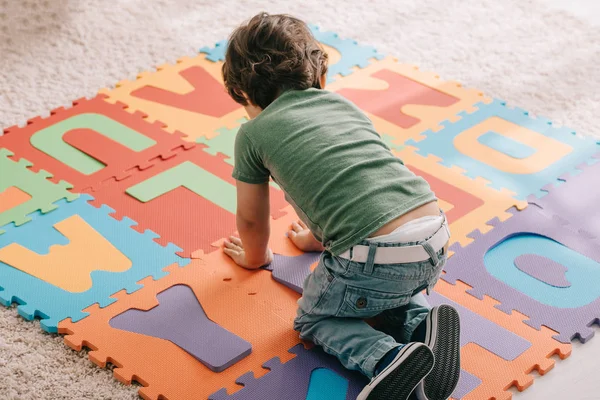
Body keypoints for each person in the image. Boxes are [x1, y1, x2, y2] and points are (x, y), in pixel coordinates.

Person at [221, 12, 460, 400]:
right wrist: (318, 239)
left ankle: (386, 359)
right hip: (434, 233)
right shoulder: (343, 106)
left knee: (315, 318)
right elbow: (354, 180)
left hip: (375, 259)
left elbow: (251, 217)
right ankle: (422, 323)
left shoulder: (253, 133)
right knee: (384, 288)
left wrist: (255, 258)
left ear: (245, 95)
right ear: (319, 76)